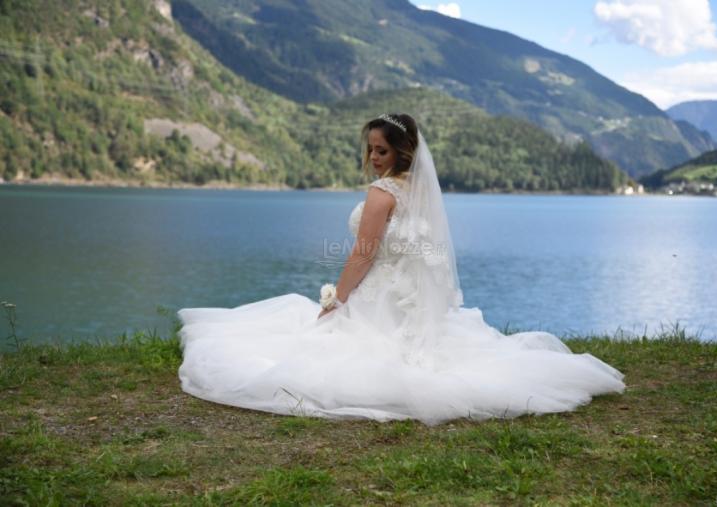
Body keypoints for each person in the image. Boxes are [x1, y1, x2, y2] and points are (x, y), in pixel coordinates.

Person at [177, 113, 625, 426]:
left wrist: (337, 301)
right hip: (410, 298)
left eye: (381, 150)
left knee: (305, 353)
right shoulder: (419, 189)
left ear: (401, 150)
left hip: (380, 295)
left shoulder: (381, 193)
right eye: (370, 149)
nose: (373, 157)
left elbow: (363, 254)